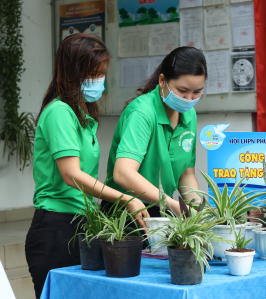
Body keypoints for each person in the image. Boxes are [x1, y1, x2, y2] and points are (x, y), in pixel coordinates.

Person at [25, 34, 149, 299]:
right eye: (92, 74)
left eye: (101, 74)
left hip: (83, 223)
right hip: (56, 229)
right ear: (72, 73)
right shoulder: (59, 112)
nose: (98, 81)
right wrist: (127, 198)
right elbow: (72, 176)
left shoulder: (82, 115)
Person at [104, 47, 206, 217]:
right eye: (182, 91)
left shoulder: (190, 115)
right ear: (162, 81)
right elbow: (123, 173)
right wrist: (172, 204)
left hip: (163, 207)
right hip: (127, 210)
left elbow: (186, 175)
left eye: (197, 92)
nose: (189, 99)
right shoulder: (142, 112)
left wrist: (197, 210)